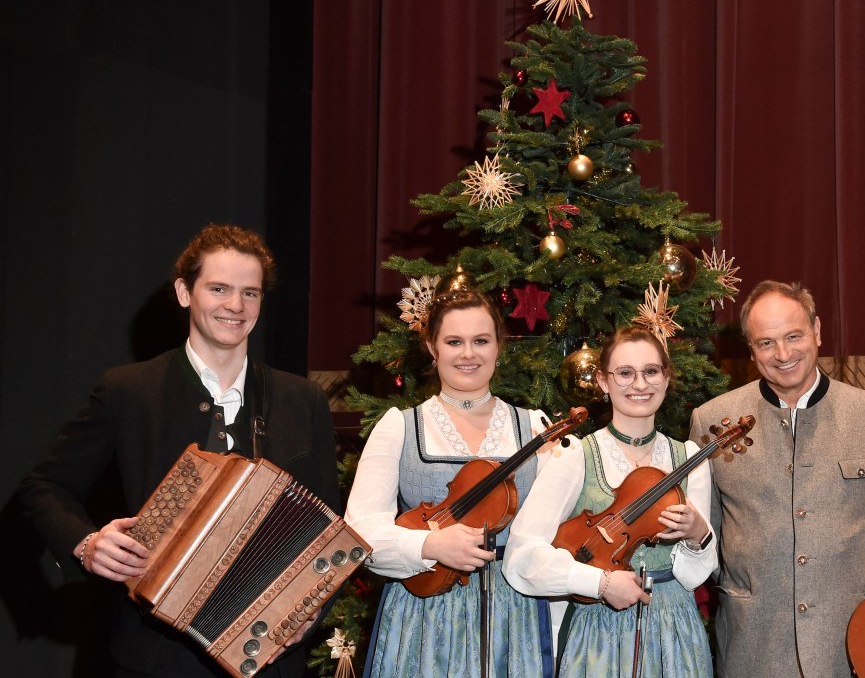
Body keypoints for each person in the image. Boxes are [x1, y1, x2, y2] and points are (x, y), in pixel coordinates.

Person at [18, 224, 339, 677]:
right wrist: (86, 543)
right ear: (185, 292)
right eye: (219, 288)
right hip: (154, 656)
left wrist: (309, 613)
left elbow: (325, 527)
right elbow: (44, 486)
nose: (235, 306)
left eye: (251, 293)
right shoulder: (129, 391)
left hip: (270, 661)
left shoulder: (302, 400)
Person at [689, 280, 865, 677]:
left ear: (818, 331)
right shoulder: (712, 420)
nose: (782, 354)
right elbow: (708, 534)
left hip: (849, 641)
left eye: (793, 336)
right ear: (751, 349)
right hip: (753, 643)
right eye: (766, 343)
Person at [346, 283, 555, 677]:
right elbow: (360, 533)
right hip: (423, 613)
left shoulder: (535, 427)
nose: (468, 354)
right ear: (432, 347)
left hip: (515, 617)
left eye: (481, 340)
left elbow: (556, 534)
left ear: (498, 346)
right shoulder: (399, 427)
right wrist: (429, 543)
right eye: (454, 341)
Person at [504, 326, 716, 677]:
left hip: (674, 630)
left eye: (651, 371)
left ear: (666, 377)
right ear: (603, 381)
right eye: (625, 373)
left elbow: (693, 576)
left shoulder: (690, 457)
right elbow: (521, 558)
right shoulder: (576, 456)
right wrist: (599, 584)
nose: (639, 384)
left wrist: (697, 534)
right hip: (597, 631)